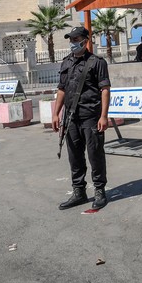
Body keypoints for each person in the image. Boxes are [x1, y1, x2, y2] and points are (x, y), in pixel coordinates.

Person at [52, 26, 111, 210]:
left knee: (95, 154)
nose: (73, 43)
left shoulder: (97, 62)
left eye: (76, 39)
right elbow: (61, 89)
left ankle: (100, 191)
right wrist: (55, 113)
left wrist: (103, 116)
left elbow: (105, 90)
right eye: (71, 39)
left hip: (91, 116)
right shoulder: (66, 63)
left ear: (85, 41)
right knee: (74, 157)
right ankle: (79, 192)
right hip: (71, 118)